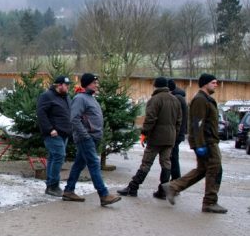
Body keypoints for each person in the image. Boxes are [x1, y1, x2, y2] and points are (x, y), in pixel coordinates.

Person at [162, 74, 227, 213]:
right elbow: (197, 124)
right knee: (215, 169)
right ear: (205, 84)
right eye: (213, 82)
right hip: (207, 142)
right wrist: (199, 144)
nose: (216, 85)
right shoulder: (200, 100)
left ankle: (173, 187)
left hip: (208, 141)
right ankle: (209, 202)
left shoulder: (206, 99)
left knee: (202, 170)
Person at [62, 73, 121, 206]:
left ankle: (68, 191)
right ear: (87, 84)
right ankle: (104, 194)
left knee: (79, 164)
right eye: (94, 83)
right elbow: (74, 119)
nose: (97, 85)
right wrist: (85, 135)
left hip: (92, 137)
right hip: (86, 138)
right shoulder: (80, 98)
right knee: (94, 163)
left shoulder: (90, 98)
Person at [117, 77, 181, 198]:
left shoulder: (155, 100)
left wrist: (144, 133)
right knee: (166, 164)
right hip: (170, 138)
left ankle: (133, 187)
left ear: (156, 86)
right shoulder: (175, 100)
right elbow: (179, 121)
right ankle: (163, 191)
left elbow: (150, 119)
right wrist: (174, 134)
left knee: (146, 163)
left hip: (156, 138)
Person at [36, 75, 73, 197]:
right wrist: (50, 129)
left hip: (64, 133)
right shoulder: (47, 96)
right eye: (66, 85)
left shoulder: (66, 97)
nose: (68, 87)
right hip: (53, 133)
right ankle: (53, 185)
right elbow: (41, 114)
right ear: (58, 85)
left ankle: (50, 186)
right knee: (59, 156)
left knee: (53, 157)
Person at [155, 78, 188, 198]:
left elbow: (178, 119)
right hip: (177, 133)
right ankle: (175, 184)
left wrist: (177, 133)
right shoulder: (180, 98)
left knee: (172, 159)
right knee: (173, 158)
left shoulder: (177, 99)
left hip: (175, 134)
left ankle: (175, 184)